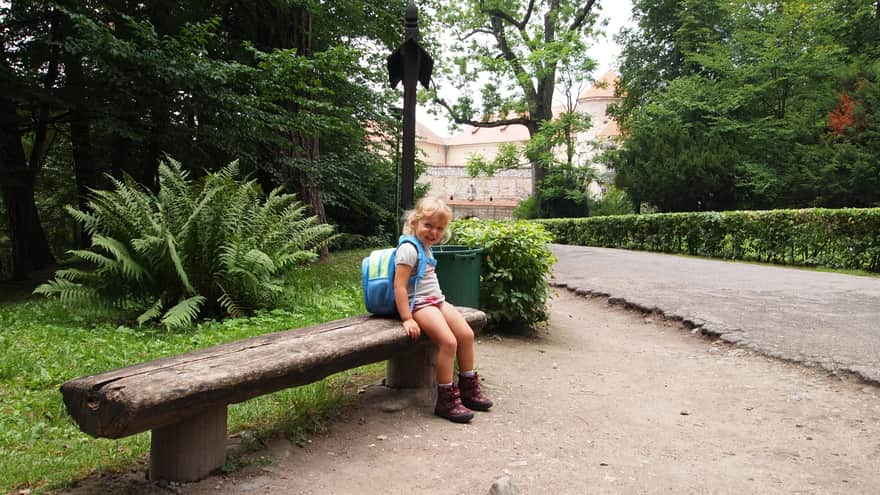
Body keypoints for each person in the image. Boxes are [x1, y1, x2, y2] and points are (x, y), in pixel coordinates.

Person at [393, 197, 493, 423]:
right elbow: (399, 286)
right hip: (419, 304)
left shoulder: (426, 248)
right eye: (428, 225)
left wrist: (439, 303)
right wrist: (407, 319)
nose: (433, 232)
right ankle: (446, 398)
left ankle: (467, 387)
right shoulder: (408, 249)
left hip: (436, 301)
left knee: (466, 334)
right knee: (449, 342)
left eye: (439, 228)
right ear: (415, 222)